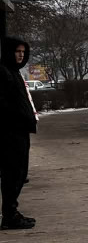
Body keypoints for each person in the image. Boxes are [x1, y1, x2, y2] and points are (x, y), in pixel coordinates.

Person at [0, 36, 37, 229]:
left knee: (19, 173)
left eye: (23, 52)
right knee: (13, 174)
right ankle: (9, 215)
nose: (21, 55)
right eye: (17, 52)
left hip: (19, 131)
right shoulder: (4, 73)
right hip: (10, 133)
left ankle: (11, 212)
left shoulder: (13, 72)